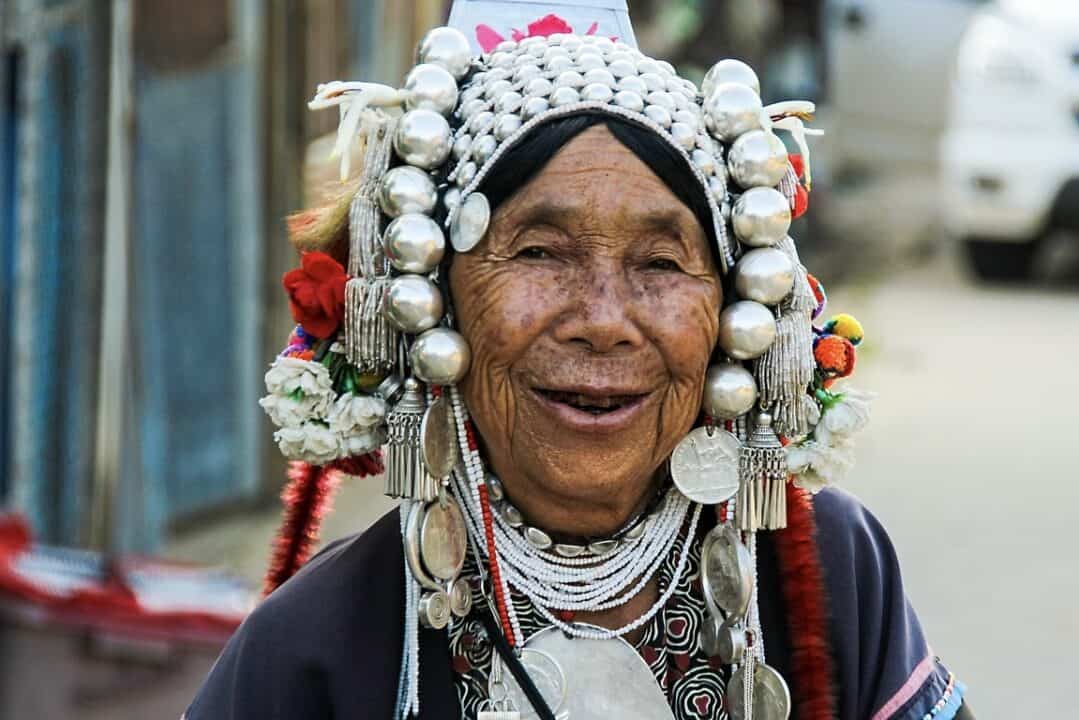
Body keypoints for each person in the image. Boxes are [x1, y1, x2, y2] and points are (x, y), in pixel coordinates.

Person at [188, 8, 972, 720]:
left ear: (732, 315)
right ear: (434, 297)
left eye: (662, 263)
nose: (604, 320)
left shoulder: (829, 574)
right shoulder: (319, 647)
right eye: (538, 252)